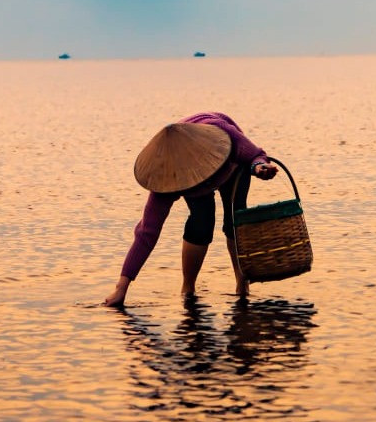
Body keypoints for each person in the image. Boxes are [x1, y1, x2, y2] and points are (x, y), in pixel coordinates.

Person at [103, 112, 280, 308]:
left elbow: (256, 155)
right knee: (201, 222)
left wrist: (259, 167)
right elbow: (146, 233)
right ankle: (188, 288)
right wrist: (122, 287)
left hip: (232, 169)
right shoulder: (169, 178)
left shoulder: (225, 133)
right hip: (190, 180)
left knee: (235, 220)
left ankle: (242, 285)